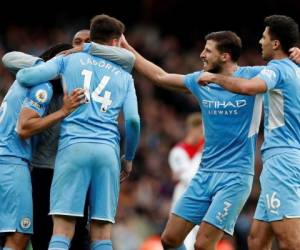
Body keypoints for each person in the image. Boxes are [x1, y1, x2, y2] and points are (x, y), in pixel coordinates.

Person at [118, 31, 300, 250]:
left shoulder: (255, 76)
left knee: (204, 244)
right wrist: (127, 49)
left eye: (208, 50)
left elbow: (286, 70)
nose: (202, 54)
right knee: (170, 239)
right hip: (204, 174)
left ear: (224, 56)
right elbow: (160, 76)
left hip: (235, 177)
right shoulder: (200, 80)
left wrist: (297, 55)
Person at [16, 14, 141, 250]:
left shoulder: (69, 61)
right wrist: (129, 159)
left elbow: (25, 76)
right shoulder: (125, 76)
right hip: (108, 153)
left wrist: (62, 57)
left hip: (73, 148)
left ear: (90, 38)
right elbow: (133, 121)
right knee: (102, 234)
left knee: (62, 231)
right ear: (115, 44)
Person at [198, 15, 300, 250]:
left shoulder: (277, 69)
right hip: (284, 158)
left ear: (275, 44)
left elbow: (247, 87)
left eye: (264, 37)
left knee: (290, 241)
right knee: (257, 239)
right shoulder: (295, 68)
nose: (260, 41)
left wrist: (214, 77)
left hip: (282, 161)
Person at [0, 44, 85, 250]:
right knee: (20, 235)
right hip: (12, 163)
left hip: (6, 160)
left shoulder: (24, 81)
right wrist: (63, 111)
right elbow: (24, 127)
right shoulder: (43, 86)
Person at [168, 112, 204, 250]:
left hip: (202, 198)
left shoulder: (205, 148)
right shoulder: (177, 152)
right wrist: (201, 154)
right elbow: (189, 179)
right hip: (182, 198)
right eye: (201, 130)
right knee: (184, 241)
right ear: (192, 129)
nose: (203, 135)